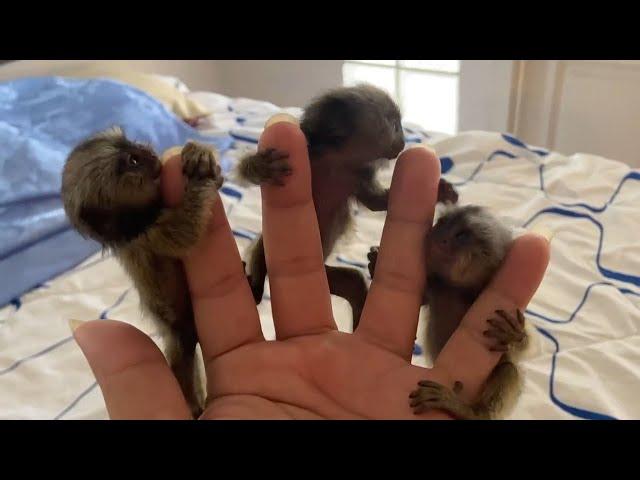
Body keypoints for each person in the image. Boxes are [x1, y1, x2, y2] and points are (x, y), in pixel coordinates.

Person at [70, 114, 549, 419]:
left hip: (441, 381)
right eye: (130, 163)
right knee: (186, 359)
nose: (148, 155)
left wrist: (518, 338)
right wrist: (217, 180)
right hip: (201, 306)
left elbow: (378, 199)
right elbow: (221, 189)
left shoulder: (479, 297)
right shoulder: (142, 232)